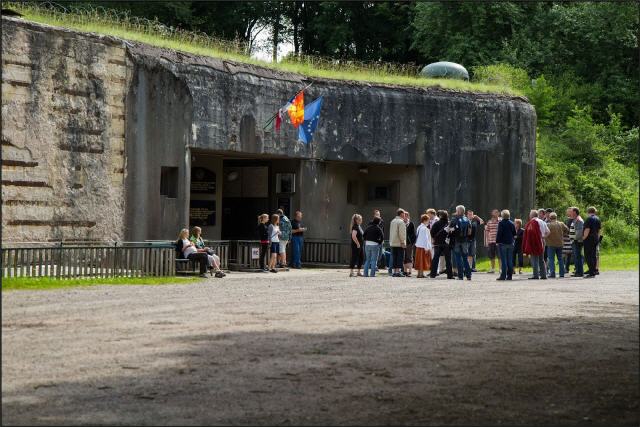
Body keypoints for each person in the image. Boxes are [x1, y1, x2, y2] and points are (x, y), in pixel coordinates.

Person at [523, 210, 550, 280]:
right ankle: (544, 275)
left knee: (534, 259)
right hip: (542, 242)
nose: (529, 215)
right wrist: (543, 237)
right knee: (541, 259)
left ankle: (535, 275)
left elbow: (531, 234)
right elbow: (548, 232)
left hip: (534, 242)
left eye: (530, 214)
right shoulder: (542, 222)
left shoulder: (532, 222)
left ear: (532, 215)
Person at [450, 205, 472, 281]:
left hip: (456, 241)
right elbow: (469, 232)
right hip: (465, 241)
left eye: (457, 211)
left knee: (458, 258)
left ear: (458, 211)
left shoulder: (454, 219)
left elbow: (450, 230)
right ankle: (468, 275)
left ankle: (460, 276)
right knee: (465, 258)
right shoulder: (467, 219)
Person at [429, 210, 453, 279]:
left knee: (435, 259)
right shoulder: (449, 223)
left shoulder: (436, 223)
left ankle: (432, 274)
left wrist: (435, 239)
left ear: (440, 216)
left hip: (438, 244)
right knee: (448, 259)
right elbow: (452, 233)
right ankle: (449, 275)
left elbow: (432, 232)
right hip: (447, 243)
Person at [546, 212, 569, 278]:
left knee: (551, 259)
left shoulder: (548, 225)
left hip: (551, 244)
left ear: (550, 218)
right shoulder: (561, 224)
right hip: (560, 243)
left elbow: (545, 232)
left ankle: (552, 273)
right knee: (560, 259)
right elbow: (567, 230)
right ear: (556, 217)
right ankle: (562, 273)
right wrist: (563, 234)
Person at [495, 209, 517, 281]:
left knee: (503, 260)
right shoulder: (512, 223)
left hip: (503, 243)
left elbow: (499, 233)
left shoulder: (501, 223)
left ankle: (503, 276)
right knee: (509, 260)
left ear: (502, 215)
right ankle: (509, 276)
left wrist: (497, 241)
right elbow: (514, 233)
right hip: (510, 243)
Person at [582, 206, 601, 278]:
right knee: (593, 255)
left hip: (589, 239)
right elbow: (599, 231)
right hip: (595, 239)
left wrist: (583, 238)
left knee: (588, 255)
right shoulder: (597, 219)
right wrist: (598, 239)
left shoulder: (589, 219)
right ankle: (593, 270)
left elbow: (587, 229)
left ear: (588, 212)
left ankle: (591, 271)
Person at [389, 209, 407, 277]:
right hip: (399, 243)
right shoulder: (401, 222)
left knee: (394, 257)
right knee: (400, 257)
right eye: (404, 214)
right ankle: (398, 271)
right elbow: (402, 233)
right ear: (402, 214)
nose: (405, 215)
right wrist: (403, 242)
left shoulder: (392, 221)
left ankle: (394, 272)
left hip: (393, 242)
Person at [414, 214, 433, 278]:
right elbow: (426, 239)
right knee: (422, 260)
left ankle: (419, 273)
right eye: (428, 220)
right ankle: (421, 274)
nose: (429, 222)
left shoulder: (419, 227)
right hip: (423, 246)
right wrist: (427, 248)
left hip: (418, 246)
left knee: (419, 260)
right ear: (424, 220)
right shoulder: (424, 228)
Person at [568, 207, 585, 277]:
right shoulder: (575, 220)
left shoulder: (579, 220)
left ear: (574, 212)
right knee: (576, 257)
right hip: (574, 241)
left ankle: (579, 272)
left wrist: (574, 239)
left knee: (578, 257)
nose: (570, 213)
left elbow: (579, 232)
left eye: (571, 212)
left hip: (577, 241)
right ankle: (577, 271)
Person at [403, 212, 416, 277]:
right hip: (402, 243)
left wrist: (412, 242)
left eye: (406, 216)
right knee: (404, 257)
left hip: (409, 243)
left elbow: (413, 234)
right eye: (404, 216)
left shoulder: (411, 224)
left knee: (409, 257)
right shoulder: (401, 223)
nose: (405, 217)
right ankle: (405, 271)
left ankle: (410, 271)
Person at [563, 208, 574, 275]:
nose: (567, 212)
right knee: (568, 254)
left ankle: (567, 268)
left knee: (572, 254)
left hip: (570, 238)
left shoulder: (572, 220)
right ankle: (566, 268)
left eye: (568, 211)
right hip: (567, 238)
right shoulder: (567, 219)